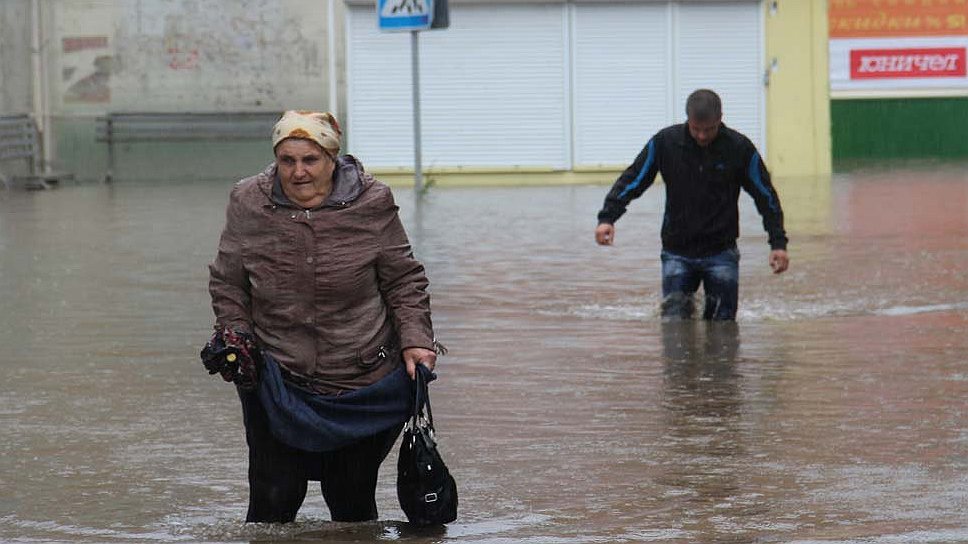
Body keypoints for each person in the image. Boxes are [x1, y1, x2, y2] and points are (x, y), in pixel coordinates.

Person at [206, 110, 439, 523]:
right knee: (272, 501)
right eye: (287, 160)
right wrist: (235, 334)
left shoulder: (372, 201)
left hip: (363, 379)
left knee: (351, 501)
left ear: (332, 158)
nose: (297, 173)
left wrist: (416, 340)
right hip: (276, 378)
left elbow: (403, 280)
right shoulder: (248, 200)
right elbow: (228, 282)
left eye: (310, 160)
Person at [594, 89, 789, 320]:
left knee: (723, 328)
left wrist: (778, 243)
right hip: (677, 252)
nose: (702, 136)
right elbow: (633, 179)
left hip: (721, 252)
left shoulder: (739, 148)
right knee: (675, 327)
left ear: (720, 119)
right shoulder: (666, 142)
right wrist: (607, 218)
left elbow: (765, 196)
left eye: (709, 129)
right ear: (687, 119)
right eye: (696, 129)